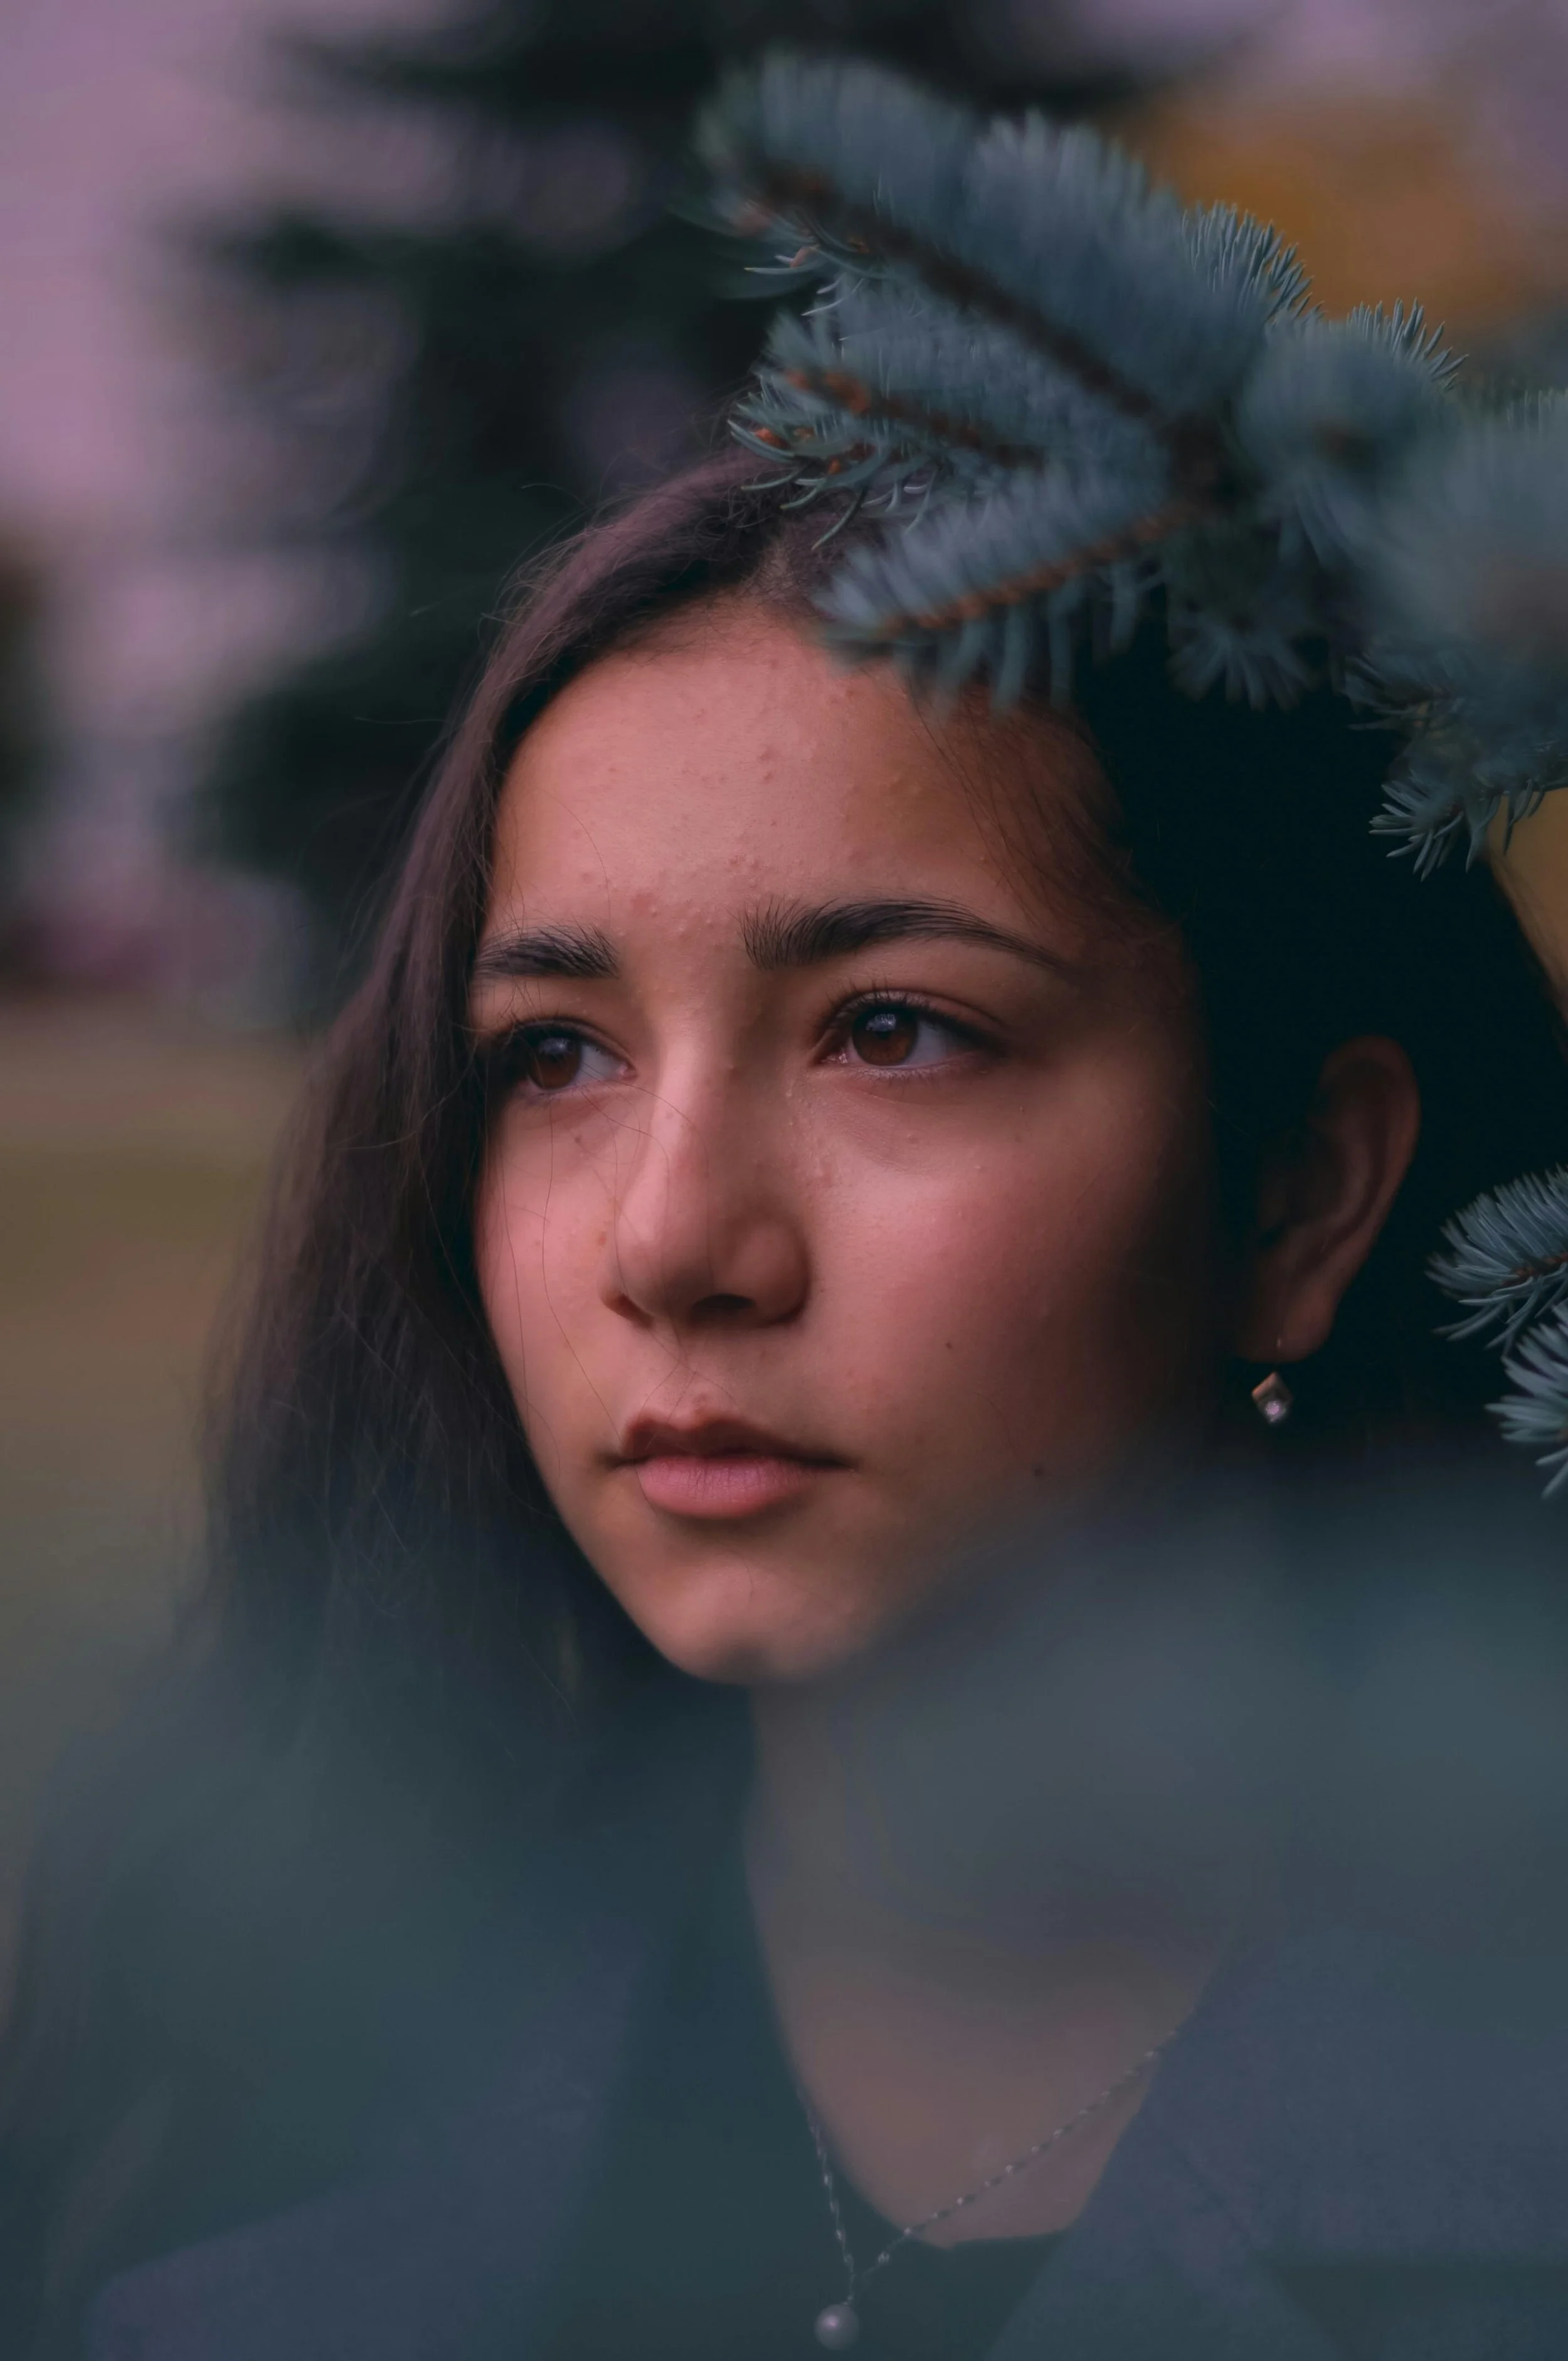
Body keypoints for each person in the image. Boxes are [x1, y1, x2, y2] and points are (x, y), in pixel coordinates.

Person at [8, 58, 1568, 2361]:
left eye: (892, 1029)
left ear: (1302, 1183)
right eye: (556, 1054)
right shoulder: (254, 2178)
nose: (671, 1239)